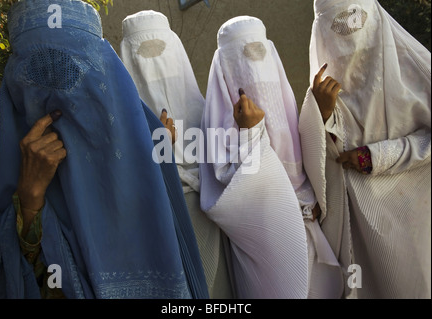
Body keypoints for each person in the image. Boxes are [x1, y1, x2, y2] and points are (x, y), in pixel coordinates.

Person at [0, 0, 208, 299]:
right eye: (36, 72)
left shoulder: (148, 152)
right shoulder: (18, 183)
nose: (55, 91)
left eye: (71, 71)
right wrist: (30, 199)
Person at [199, 16, 342, 299]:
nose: (255, 73)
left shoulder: (288, 104)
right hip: (264, 247)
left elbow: (306, 160)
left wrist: (319, 113)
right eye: (242, 61)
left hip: (310, 232)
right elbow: (224, 190)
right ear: (224, 71)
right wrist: (249, 135)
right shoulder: (217, 124)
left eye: (259, 55)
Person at [299, 0, 431, 298]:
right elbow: (319, 167)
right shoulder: (321, 93)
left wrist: (379, 156)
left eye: (356, 25)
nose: (350, 45)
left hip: (417, 223)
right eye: (337, 30)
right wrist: (319, 116)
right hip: (358, 230)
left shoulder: (415, 70)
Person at [119, 10, 234, 299]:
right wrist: (159, 156)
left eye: (162, 55)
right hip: (160, 237)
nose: (155, 71)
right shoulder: (120, 128)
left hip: (212, 227)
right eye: (144, 59)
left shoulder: (208, 114)